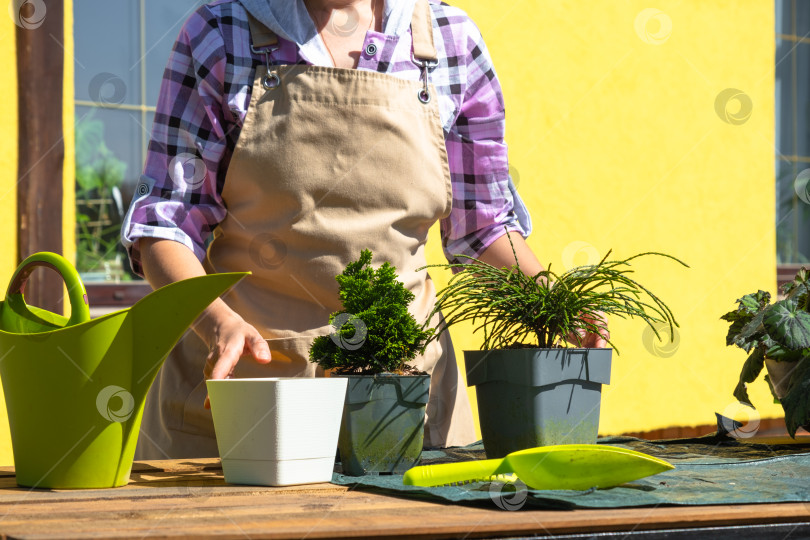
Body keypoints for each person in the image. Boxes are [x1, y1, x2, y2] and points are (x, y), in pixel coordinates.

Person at [122, 0, 607, 460]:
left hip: (405, 397)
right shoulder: (221, 33)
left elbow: (482, 228)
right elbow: (164, 224)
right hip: (248, 398)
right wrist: (218, 324)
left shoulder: (450, 42)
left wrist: (554, 300)